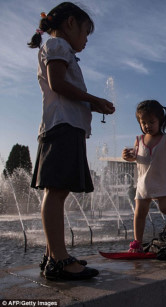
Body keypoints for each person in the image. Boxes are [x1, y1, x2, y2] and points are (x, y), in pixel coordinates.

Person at [28, 2, 115, 280]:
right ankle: (59, 260)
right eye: (86, 32)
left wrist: (91, 106)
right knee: (55, 192)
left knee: (58, 191)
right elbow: (57, 84)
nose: (86, 39)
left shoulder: (60, 49)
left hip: (65, 126)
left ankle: (53, 255)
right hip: (61, 127)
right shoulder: (58, 46)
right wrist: (94, 99)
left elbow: (65, 90)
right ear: (70, 24)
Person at [122, 100, 166, 253]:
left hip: (161, 182)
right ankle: (137, 244)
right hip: (143, 184)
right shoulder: (139, 140)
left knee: (165, 208)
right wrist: (127, 156)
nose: (147, 125)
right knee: (139, 214)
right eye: (143, 122)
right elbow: (136, 158)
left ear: (160, 121)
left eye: (151, 121)